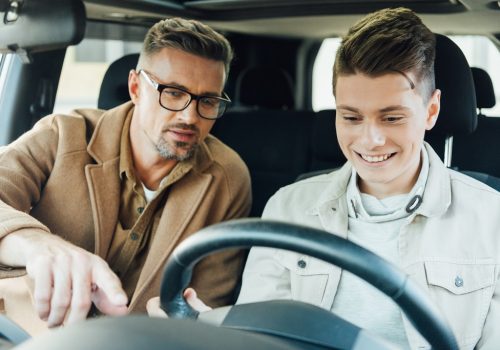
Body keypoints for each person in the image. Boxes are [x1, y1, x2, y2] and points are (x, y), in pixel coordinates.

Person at [234, 7, 500, 350]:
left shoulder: (491, 219)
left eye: (391, 118)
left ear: (431, 111)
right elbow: (257, 337)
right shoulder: (288, 208)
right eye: (351, 117)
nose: (370, 140)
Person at [0, 17, 251, 332]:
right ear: (136, 88)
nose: (190, 117)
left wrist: (186, 322)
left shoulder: (227, 178)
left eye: (208, 101)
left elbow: (208, 304)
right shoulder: (62, 136)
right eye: (173, 93)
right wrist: (36, 244)